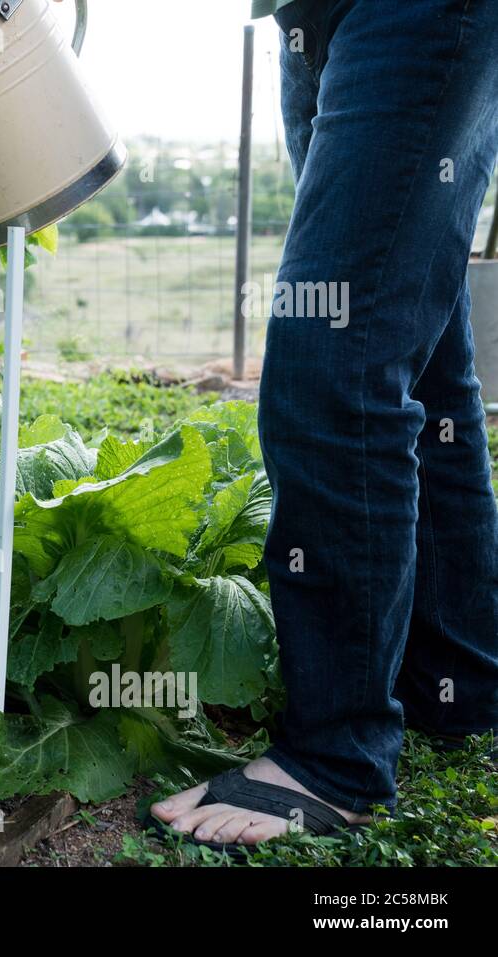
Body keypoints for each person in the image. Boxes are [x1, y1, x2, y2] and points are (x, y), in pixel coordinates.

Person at [149, 0, 498, 852]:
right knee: (419, 354)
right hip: (311, 22)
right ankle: (459, 680)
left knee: (329, 360)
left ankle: (334, 756)